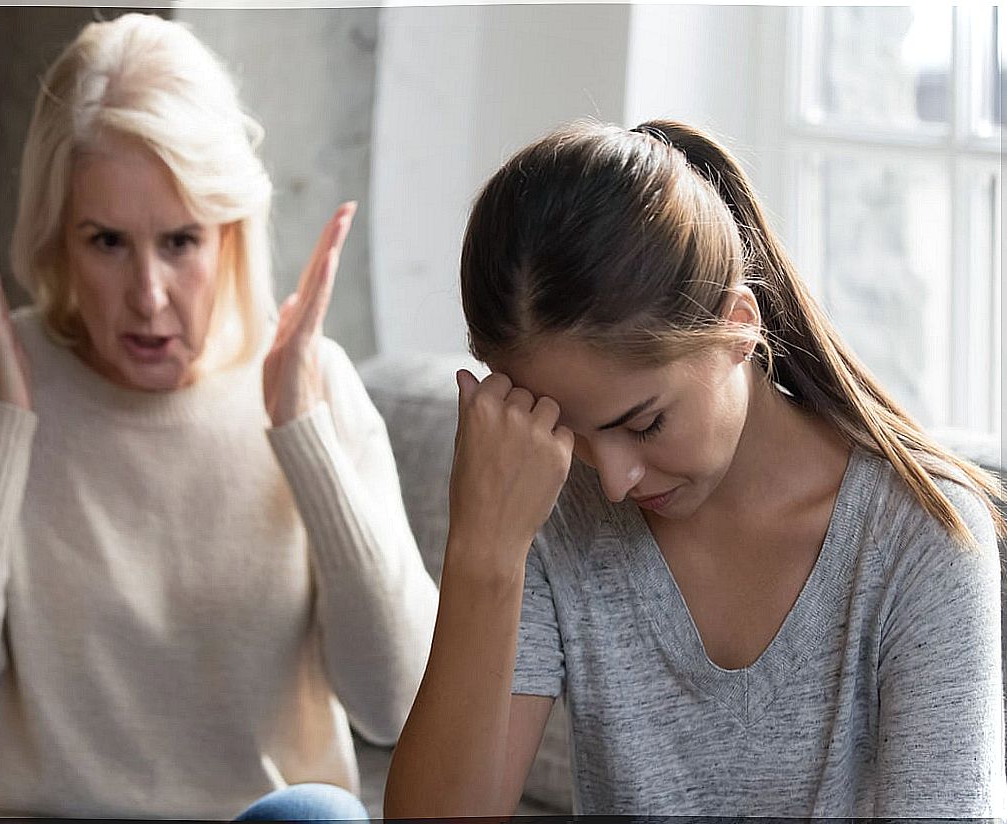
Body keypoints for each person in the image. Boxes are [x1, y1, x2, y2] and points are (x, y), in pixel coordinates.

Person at [0, 13, 438, 819]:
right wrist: (6, 424)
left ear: (230, 232)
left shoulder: (311, 384)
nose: (147, 296)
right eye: (106, 241)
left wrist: (301, 433)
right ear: (57, 238)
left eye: (180, 241)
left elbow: (397, 705)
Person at [384, 119, 1006, 817]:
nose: (615, 480)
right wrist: (484, 551)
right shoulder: (547, 508)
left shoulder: (921, 541)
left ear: (739, 325)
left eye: (644, 423)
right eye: (572, 432)